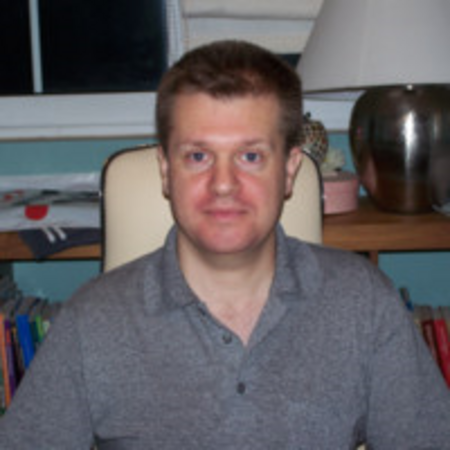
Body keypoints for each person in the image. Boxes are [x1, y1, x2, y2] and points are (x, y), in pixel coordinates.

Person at [0, 40, 449, 449]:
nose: (223, 184)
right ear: (165, 170)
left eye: (250, 156)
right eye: (198, 156)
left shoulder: (363, 304)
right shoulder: (92, 322)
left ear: (289, 170)